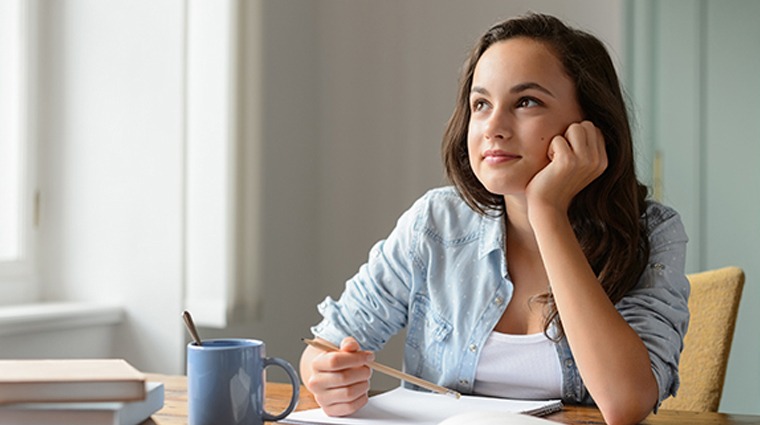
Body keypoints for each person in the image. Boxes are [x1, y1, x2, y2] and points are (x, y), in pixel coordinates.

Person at [299, 13, 689, 425]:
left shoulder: (652, 231)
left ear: (590, 125)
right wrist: (327, 376)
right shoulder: (435, 224)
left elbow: (626, 403)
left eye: (526, 102)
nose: (493, 127)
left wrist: (547, 211)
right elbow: (322, 349)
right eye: (481, 104)